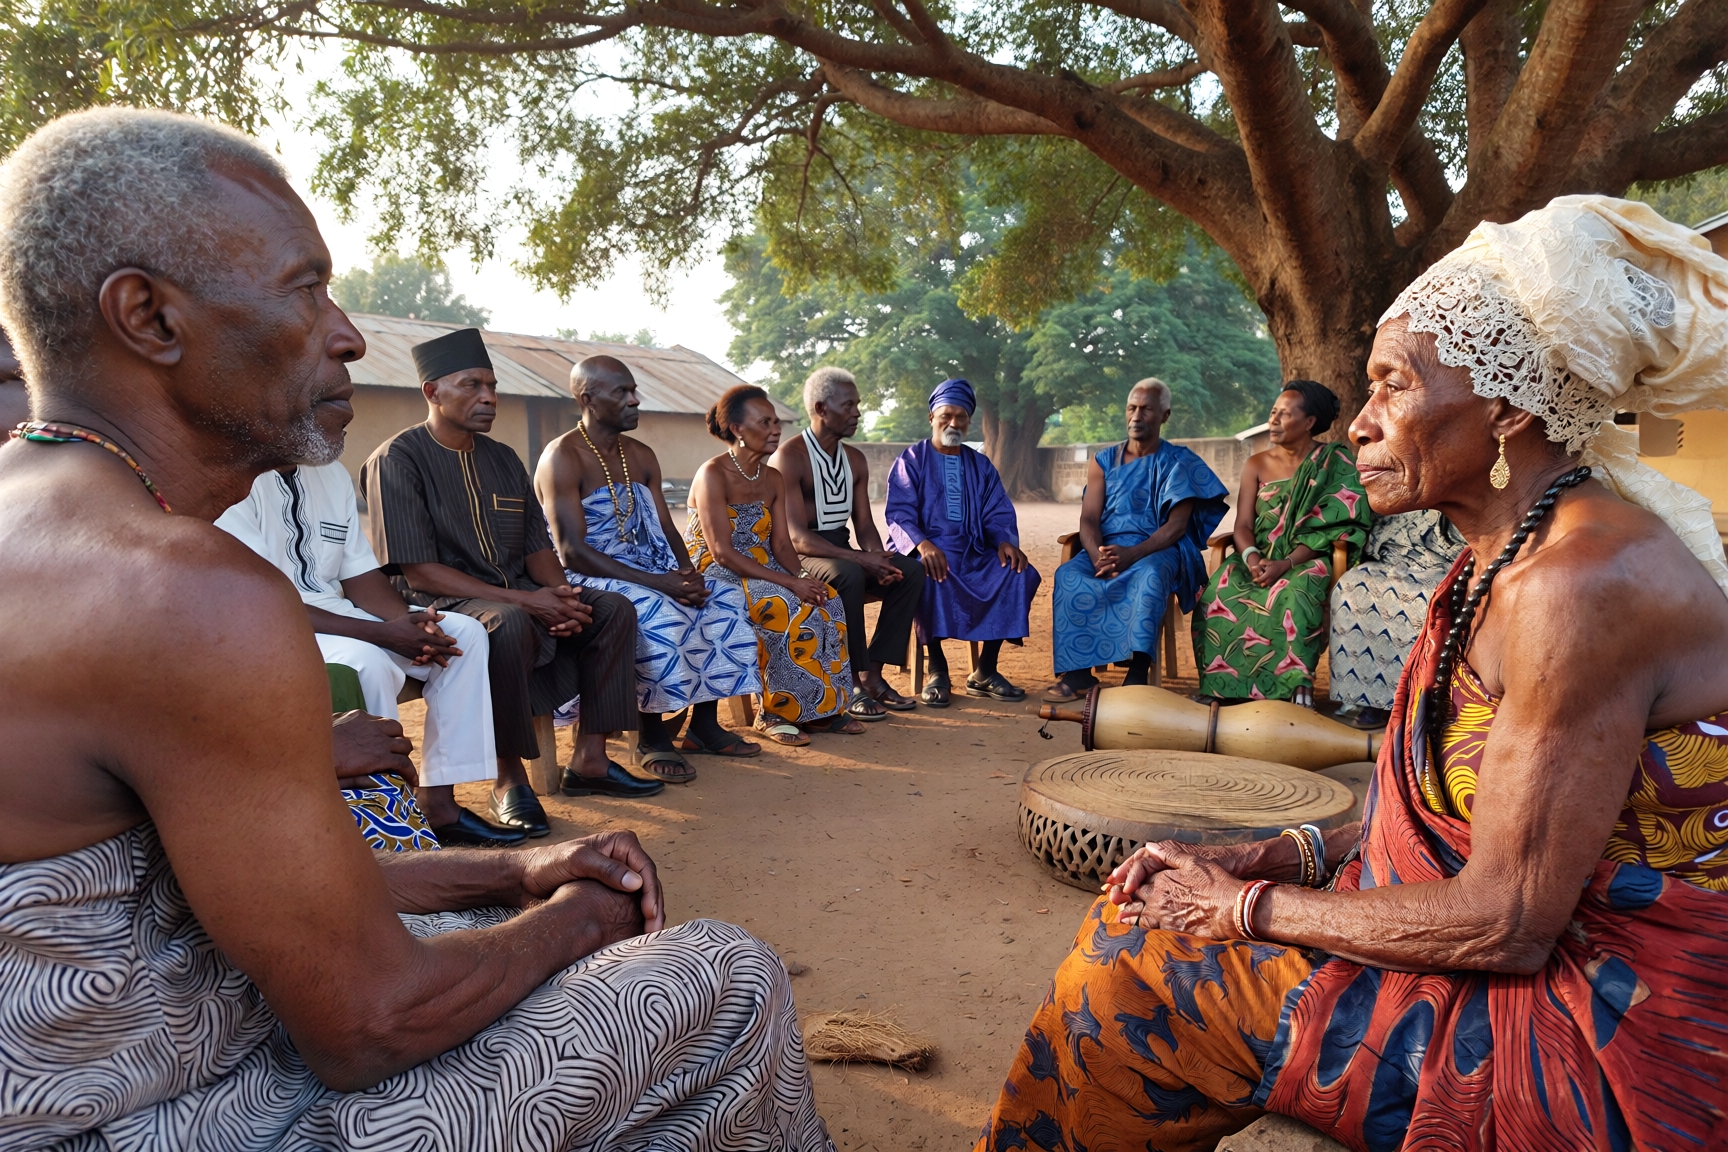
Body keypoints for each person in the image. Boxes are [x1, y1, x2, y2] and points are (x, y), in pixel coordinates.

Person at [0, 107, 830, 1150]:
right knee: (723, 977)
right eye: (306, 290)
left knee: (489, 914)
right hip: (168, 1117)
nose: (346, 334)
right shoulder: (178, 591)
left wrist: (514, 871)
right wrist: (582, 917)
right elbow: (370, 1025)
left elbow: (232, 889)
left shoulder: (35, 518)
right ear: (150, 318)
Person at [975, 195, 1728, 1152]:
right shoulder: (1499, 552)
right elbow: (1410, 820)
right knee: (1127, 930)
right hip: (1529, 946)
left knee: (1132, 976)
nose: (1362, 423)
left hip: (1610, 1009)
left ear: (1505, 404)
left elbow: (1507, 921)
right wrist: (1263, 857)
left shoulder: (1579, 581)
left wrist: (1241, 908)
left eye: (1392, 386)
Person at [363, 327, 663, 822]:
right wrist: (531, 603)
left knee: (610, 609)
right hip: (437, 600)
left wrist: (562, 597)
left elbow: (536, 549)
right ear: (432, 392)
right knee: (508, 622)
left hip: (516, 594)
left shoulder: (502, 458)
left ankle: (591, 759)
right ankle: (510, 779)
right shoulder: (398, 459)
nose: (488, 398)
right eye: (472, 386)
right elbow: (420, 570)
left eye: (492, 386)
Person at [217, 460, 512, 845]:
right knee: (368, 662)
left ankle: (439, 802)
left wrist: (414, 625)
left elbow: (358, 575)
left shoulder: (332, 473)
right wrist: (382, 635)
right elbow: (258, 595)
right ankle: (389, 811)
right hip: (273, 622)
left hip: (340, 614)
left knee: (465, 636)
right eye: (328, 407)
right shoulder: (236, 476)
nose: (346, 417)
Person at [538, 354, 762, 779]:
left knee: (723, 599)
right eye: (621, 392)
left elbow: (666, 529)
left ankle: (704, 726)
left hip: (652, 567)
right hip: (590, 573)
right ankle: (652, 738)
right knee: (654, 610)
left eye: (633, 390)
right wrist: (662, 585)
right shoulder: (561, 457)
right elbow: (571, 551)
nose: (635, 400)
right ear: (588, 398)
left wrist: (688, 574)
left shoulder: (640, 455)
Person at [685, 385, 858, 747]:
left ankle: (820, 709)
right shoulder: (712, 474)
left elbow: (780, 544)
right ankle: (776, 711)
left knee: (828, 600)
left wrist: (803, 576)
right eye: (765, 422)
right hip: (716, 569)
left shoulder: (772, 477)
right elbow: (721, 552)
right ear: (737, 429)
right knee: (783, 605)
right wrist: (789, 584)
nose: (776, 429)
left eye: (776, 422)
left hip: (763, 564)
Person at [1045, 379, 1228, 702]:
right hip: (1108, 546)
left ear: (1164, 415)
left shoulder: (1178, 462)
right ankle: (1077, 676)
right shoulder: (1104, 461)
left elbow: (1176, 527)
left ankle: (1137, 674)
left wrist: (1131, 554)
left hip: (1157, 547)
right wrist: (1097, 553)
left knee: (1150, 576)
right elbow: (1088, 519)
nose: (1136, 416)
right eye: (1132, 407)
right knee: (1069, 575)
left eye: (1146, 409)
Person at [1192, 380, 1370, 708]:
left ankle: (1296, 684)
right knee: (1220, 592)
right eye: (1273, 412)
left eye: (1284, 414)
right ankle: (1221, 685)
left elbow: (1337, 527)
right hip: (1256, 556)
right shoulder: (1256, 464)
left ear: (1309, 423)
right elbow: (1243, 525)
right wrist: (1251, 558)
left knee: (1294, 593)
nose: (1273, 420)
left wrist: (1285, 564)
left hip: (1306, 558)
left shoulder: (1335, 462)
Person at [770, 366, 925, 719]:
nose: (857, 413)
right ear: (821, 408)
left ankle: (873, 672)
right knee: (848, 575)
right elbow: (796, 537)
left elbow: (865, 525)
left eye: (858, 405)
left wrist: (876, 556)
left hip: (841, 551)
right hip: (801, 556)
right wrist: (860, 561)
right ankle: (851, 681)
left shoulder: (854, 460)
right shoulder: (789, 458)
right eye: (849, 405)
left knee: (910, 571)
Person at [884, 378, 1039, 706]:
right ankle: (937, 669)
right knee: (926, 573)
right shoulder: (911, 460)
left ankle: (985, 670)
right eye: (946, 416)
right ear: (932, 418)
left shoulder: (980, 465)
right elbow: (899, 513)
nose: (954, 423)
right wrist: (922, 544)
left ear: (969, 421)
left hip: (973, 551)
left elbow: (997, 512)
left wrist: (1004, 541)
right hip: (928, 550)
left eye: (961, 417)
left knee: (1016, 572)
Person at [1327, 509, 1465, 727]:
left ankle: (1421, 704)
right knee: (1354, 584)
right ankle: (1371, 700)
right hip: (1396, 553)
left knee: (1428, 597)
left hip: (1446, 557)